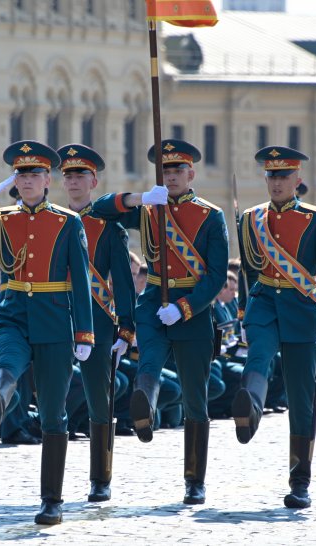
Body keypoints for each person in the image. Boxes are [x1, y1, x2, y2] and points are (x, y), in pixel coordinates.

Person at [0, 140, 93, 525]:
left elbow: (81, 282)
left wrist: (85, 334)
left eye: (34, 174)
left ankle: (52, 500)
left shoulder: (67, 222)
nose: (26, 180)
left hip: (55, 322)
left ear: (47, 180)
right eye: (21, 174)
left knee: (53, 414)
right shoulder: (0, 220)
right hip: (12, 315)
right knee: (7, 363)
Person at [93, 138, 228, 505]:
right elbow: (98, 209)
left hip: (193, 309)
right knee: (149, 360)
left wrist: (185, 307)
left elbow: (216, 276)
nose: (171, 176)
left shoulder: (210, 216)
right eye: (165, 170)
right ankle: (145, 409)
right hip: (153, 299)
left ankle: (194, 480)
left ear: (191, 174)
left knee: (195, 397)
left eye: (177, 170)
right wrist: (138, 199)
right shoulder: (150, 209)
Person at [235, 145, 316, 509]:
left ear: (297, 180)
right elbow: (248, 272)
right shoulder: (251, 218)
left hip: (302, 310)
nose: (277, 183)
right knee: (259, 356)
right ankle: (249, 407)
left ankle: (300, 480)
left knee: (301, 399)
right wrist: (242, 312)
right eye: (271, 176)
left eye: (283, 176)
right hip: (264, 303)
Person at [56, 143, 136, 502]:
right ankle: (51, 476)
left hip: (100, 322)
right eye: (68, 175)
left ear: (93, 181)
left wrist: (127, 327)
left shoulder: (108, 226)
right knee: (52, 399)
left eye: (80, 175)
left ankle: (100, 476)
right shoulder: (52, 221)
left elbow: (122, 279)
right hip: (57, 318)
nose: (73, 181)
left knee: (99, 401)